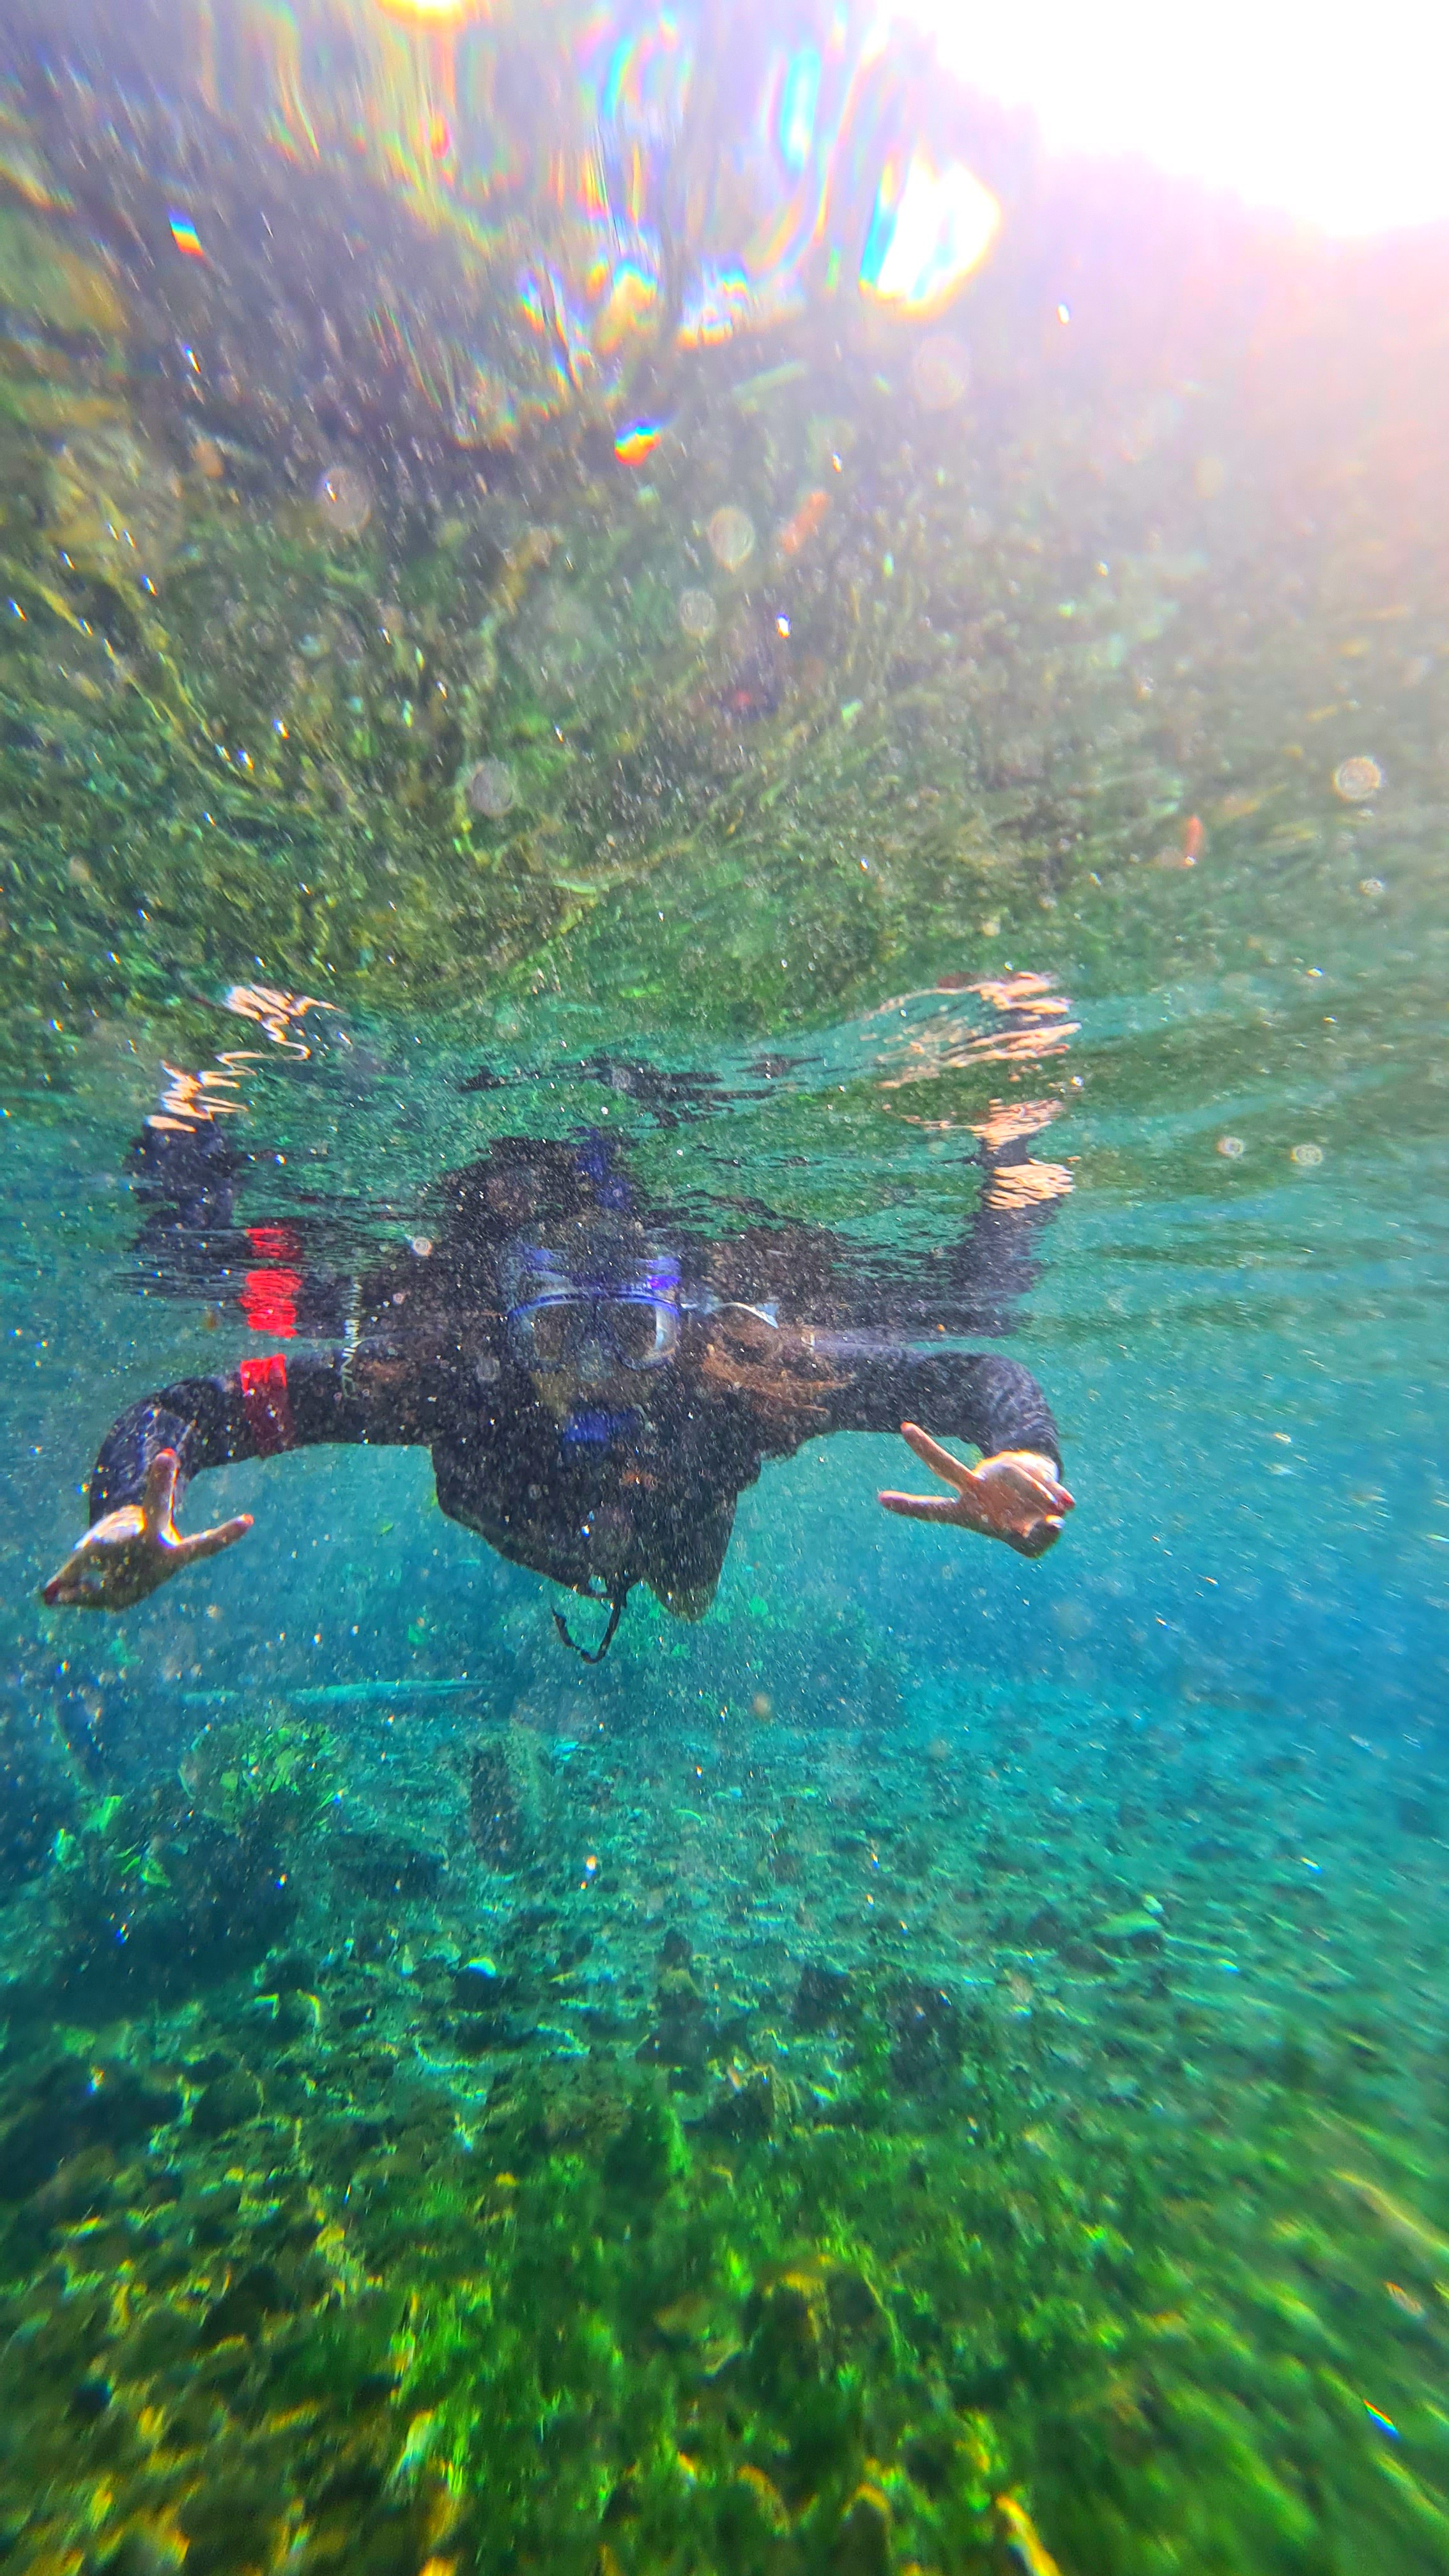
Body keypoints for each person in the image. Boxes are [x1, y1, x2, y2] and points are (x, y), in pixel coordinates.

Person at [41, 1020, 1075, 1658]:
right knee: (682, 1593)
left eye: (627, 1330)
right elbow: (186, 1413)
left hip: (672, 1512)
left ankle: (1019, 1164)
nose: (592, 1370)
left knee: (687, 1595)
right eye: (556, 1332)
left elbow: (978, 1373)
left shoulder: (741, 1384)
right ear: (508, 1329)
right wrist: (130, 1500)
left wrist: (1022, 1454)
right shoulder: (445, 1380)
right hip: (552, 1516)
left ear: (677, 1330)